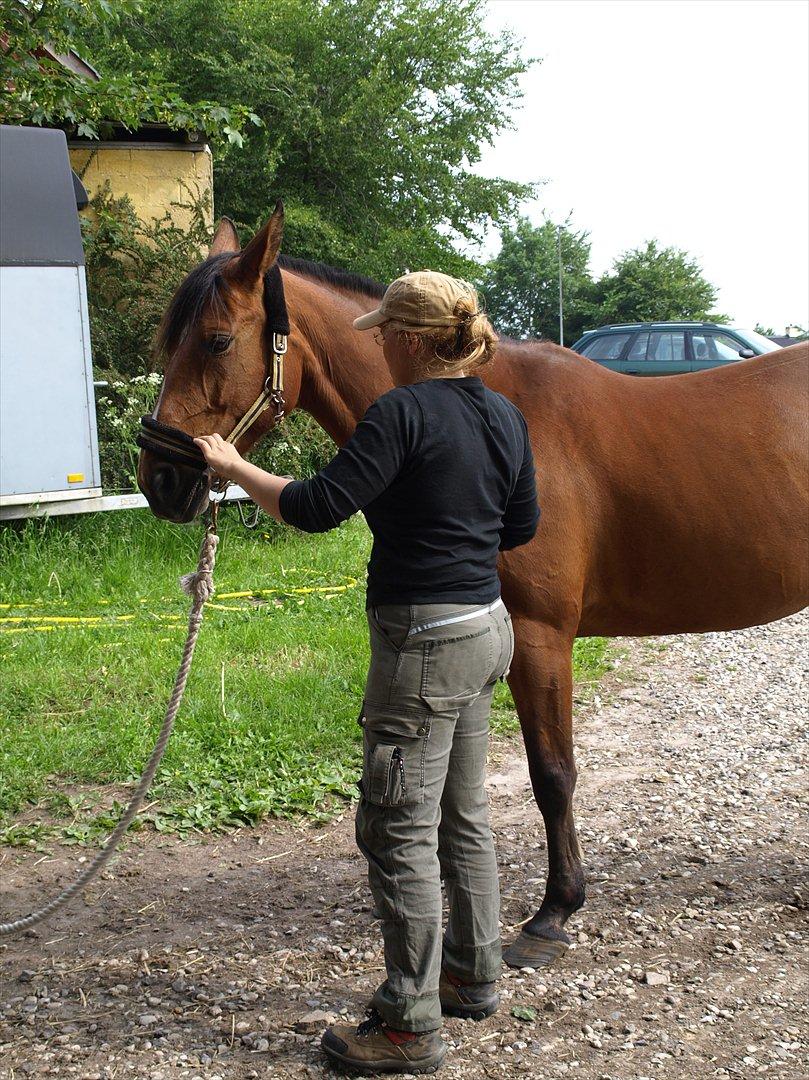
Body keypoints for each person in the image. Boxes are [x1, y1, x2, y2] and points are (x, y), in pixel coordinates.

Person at [194, 269, 540, 1074]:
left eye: (384, 331)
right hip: (487, 630)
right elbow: (518, 525)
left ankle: (408, 1026)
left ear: (411, 342)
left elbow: (316, 507)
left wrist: (233, 465)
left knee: (396, 827)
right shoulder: (501, 413)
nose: (376, 342)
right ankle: (472, 973)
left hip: (423, 643)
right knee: (463, 813)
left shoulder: (398, 411)